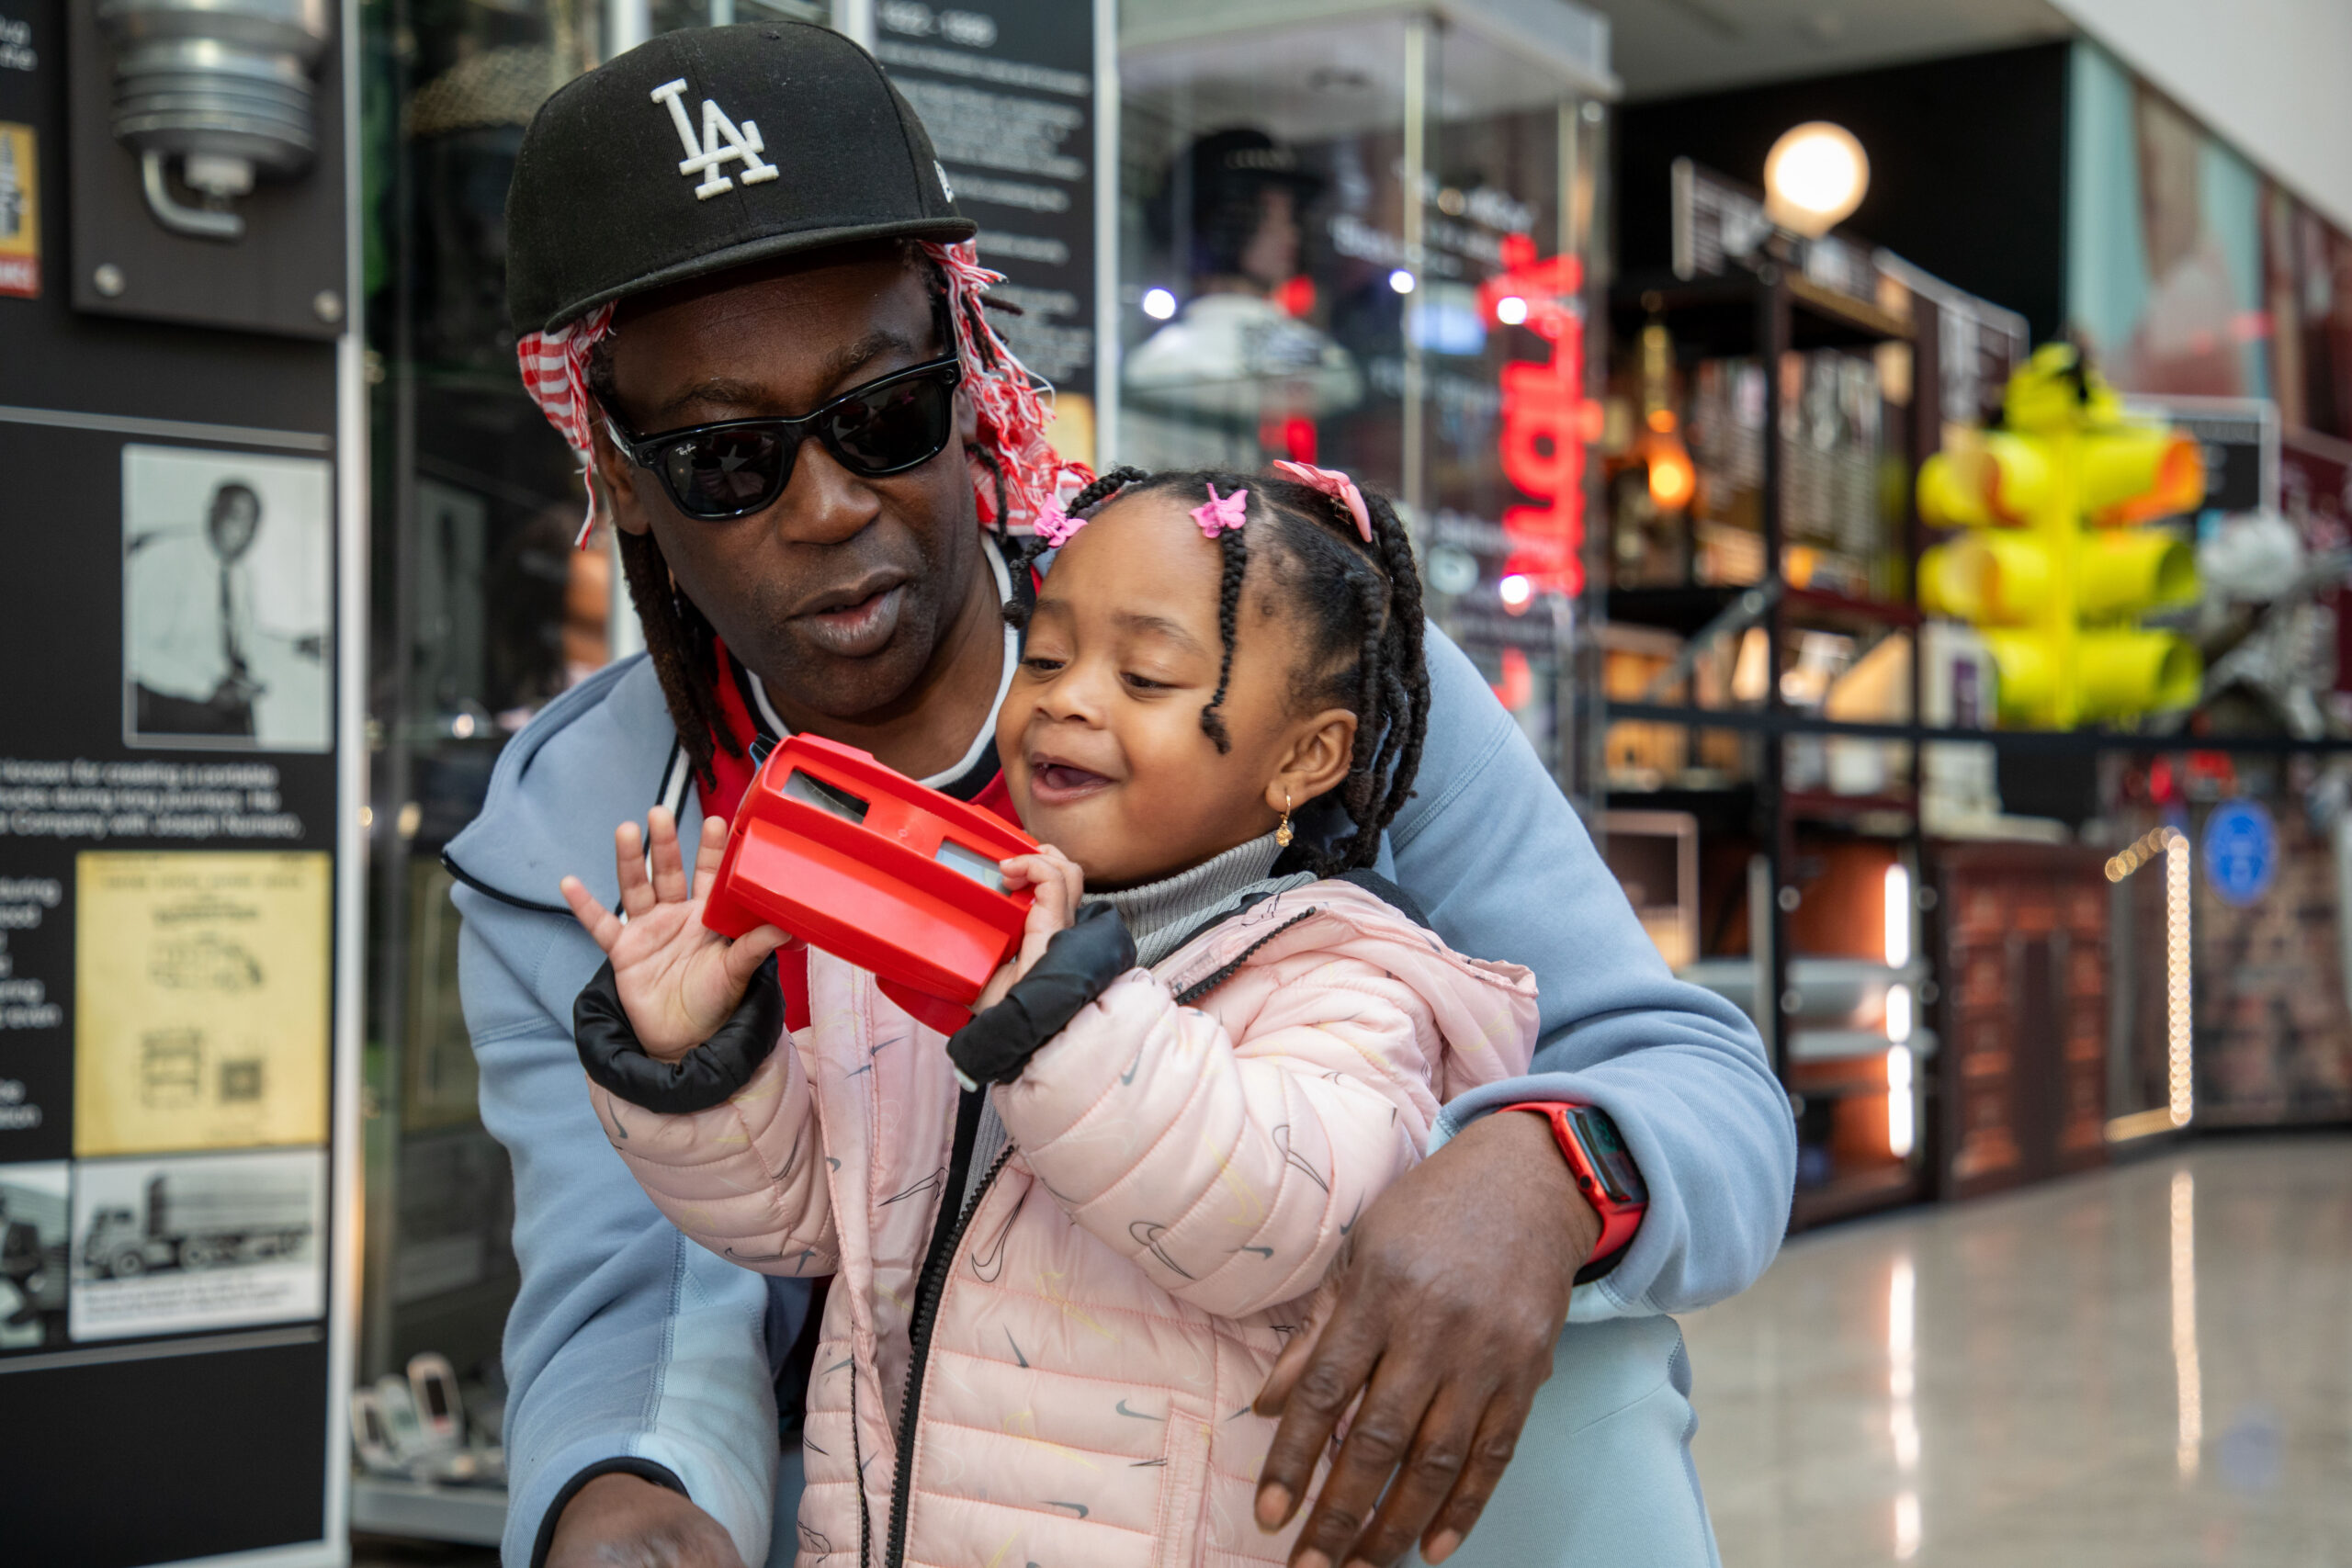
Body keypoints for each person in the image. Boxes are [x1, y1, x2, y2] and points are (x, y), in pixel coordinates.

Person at [450, 22, 1793, 1568]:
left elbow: (1693, 1083)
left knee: (1565, 1323)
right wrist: (624, 1501)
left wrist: (1550, 1172)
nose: (827, 507)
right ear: (616, 469)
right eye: (724, 460)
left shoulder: (1275, 652)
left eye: (883, 413)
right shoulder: (585, 829)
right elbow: (638, 1278)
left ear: (968, 376)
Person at [562, 466, 1540, 1566]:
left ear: (1304, 756)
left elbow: (1270, 1221)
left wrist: (1057, 1019)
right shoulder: (962, 936)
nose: (1069, 698)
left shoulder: (1346, 975)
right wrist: (696, 1052)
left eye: (1146, 674)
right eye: (1047, 656)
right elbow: (804, 1217)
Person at [127, 479, 267, 739]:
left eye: (253, 524)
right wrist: (206, 688)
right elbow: (134, 649)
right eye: (237, 518)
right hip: (167, 696)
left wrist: (298, 645)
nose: (245, 532)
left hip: (218, 696)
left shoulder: (239, 574)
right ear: (213, 511)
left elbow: (243, 642)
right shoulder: (165, 559)